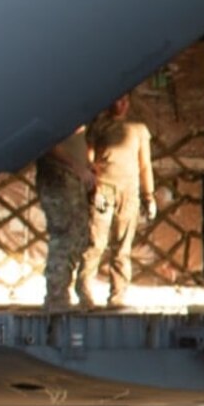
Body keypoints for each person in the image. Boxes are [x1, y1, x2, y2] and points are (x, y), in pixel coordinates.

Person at [80, 95, 155, 308]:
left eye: (124, 101)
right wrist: (94, 189)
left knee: (122, 246)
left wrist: (149, 195)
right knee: (96, 242)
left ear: (129, 103)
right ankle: (84, 291)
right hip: (104, 188)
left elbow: (145, 164)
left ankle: (118, 294)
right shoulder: (99, 126)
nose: (119, 105)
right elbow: (89, 161)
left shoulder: (139, 129)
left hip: (129, 191)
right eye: (116, 101)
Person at [35, 126, 94, 311]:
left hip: (75, 181)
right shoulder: (58, 111)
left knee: (79, 236)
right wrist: (78, 168)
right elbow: (47, 144)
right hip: (60, 178)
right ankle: (55, 296)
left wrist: (87, 166)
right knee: (64, 236)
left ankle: (64, 292)